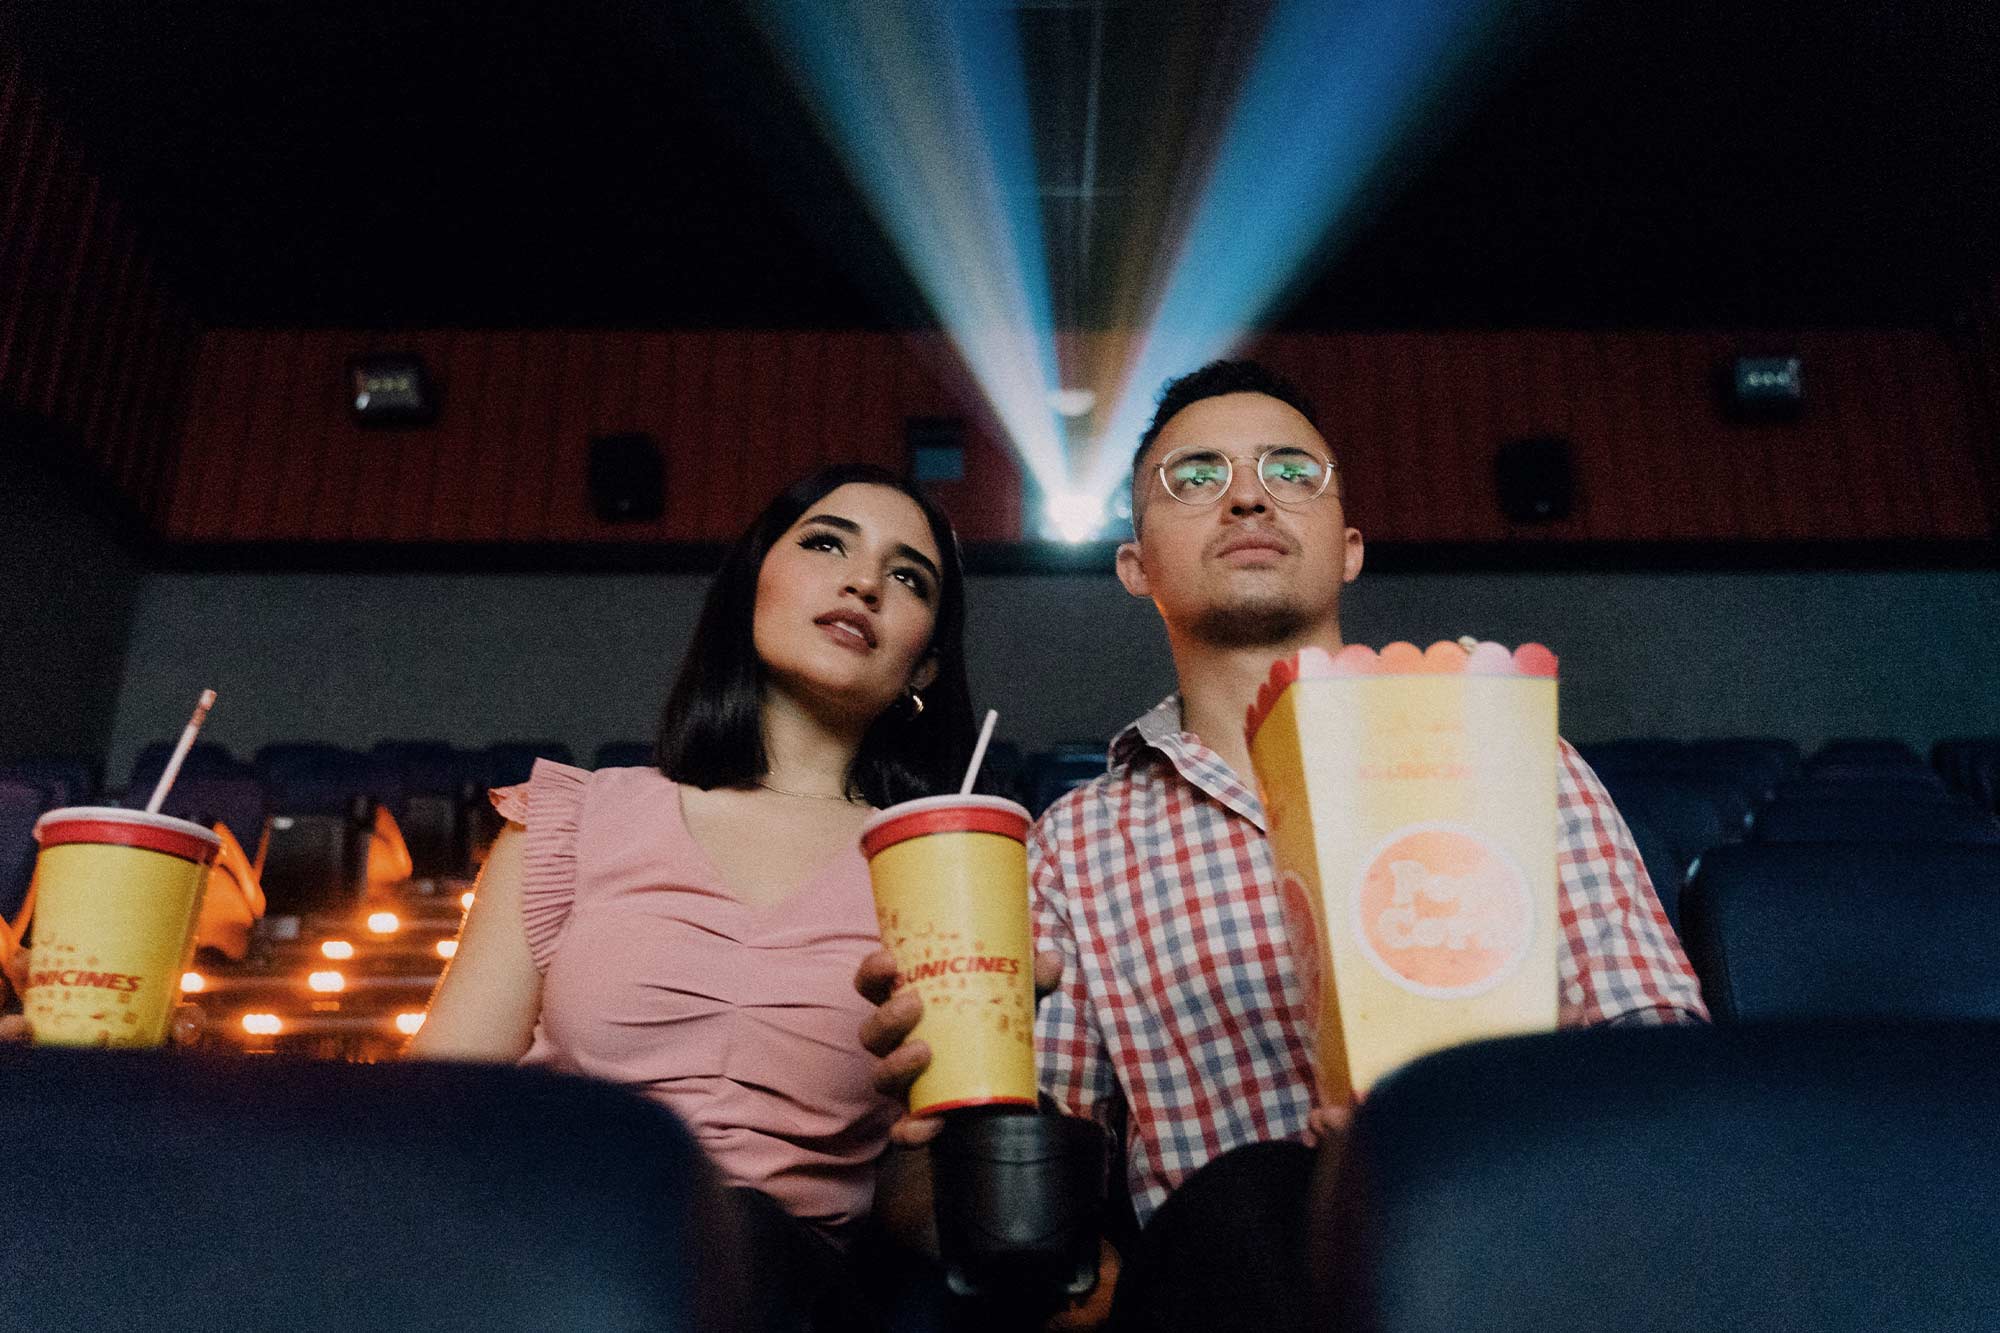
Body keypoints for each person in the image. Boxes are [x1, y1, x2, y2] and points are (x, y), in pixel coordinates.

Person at [857, 360, 1706, 1332]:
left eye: (1290, 471)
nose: (1250, 494)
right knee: (1254, 1195)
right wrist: (942, 1122)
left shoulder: (1515, 759)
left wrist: (1456, 1133)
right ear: (1134, 565)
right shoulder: (1072, 846)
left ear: (1346, 547)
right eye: (1195, 476)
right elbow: (1025, 1204)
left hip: (1524, 1242)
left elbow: (1664, 1066)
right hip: (1239, 1273)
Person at [414, 463, 977, 1331]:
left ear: (927, 661)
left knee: (741, 1231)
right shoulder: (577, 816)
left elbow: (920, 1216)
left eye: (908, 577)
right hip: (554, 1255)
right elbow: (439, 1104)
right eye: (827, 543)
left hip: (795, 1286)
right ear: (752, 585)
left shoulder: (944, 869)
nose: (864, 581)